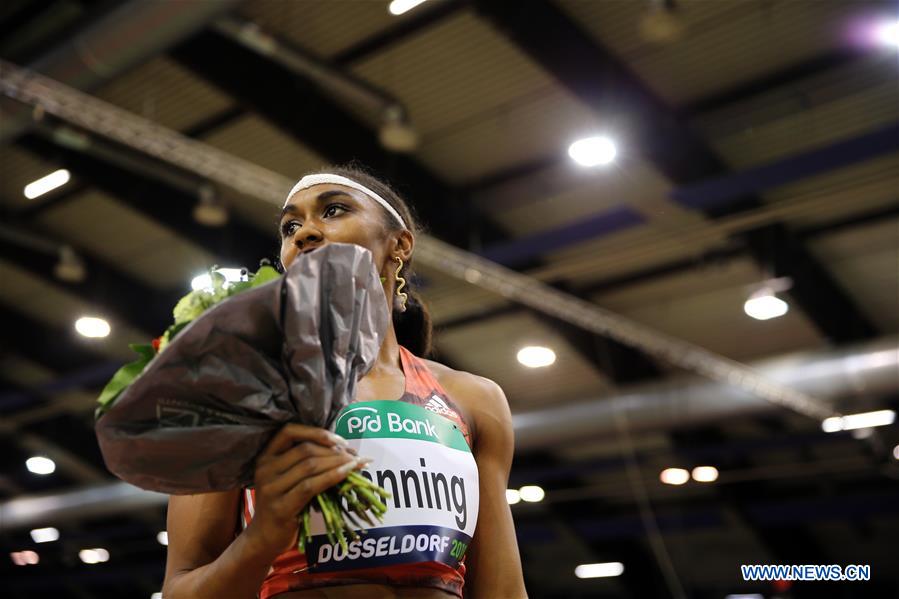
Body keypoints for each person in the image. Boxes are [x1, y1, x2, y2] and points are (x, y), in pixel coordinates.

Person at [162, 166, 527, 599]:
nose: (304, 234)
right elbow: (180, 588)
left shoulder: (474, 400)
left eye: (333, 210)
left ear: (399, 245)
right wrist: (261, 539)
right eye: (290, 226)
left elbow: (502, 592)